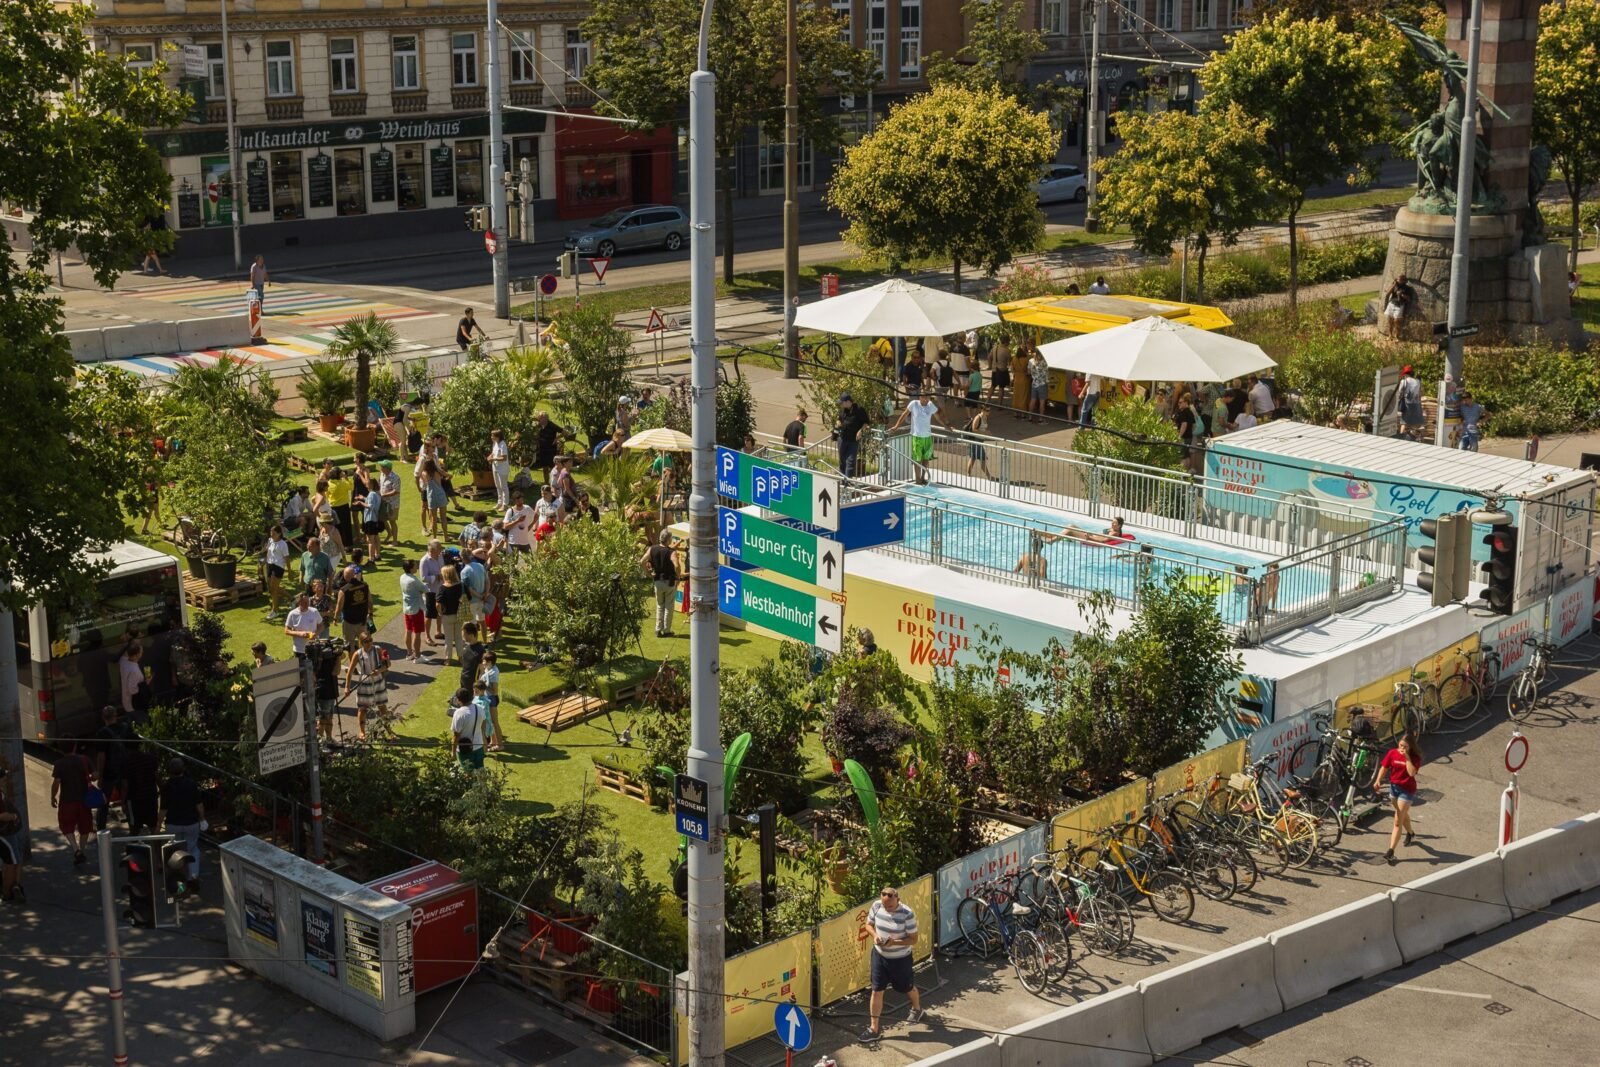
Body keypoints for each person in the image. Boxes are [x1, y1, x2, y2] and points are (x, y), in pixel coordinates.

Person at [860, 885, 925, 1041]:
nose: (887, 909)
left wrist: (894, 942)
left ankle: (917, 1009)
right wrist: (875, 935)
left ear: (898, 900)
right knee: (877, 990)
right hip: (879, 956)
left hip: (900, 959)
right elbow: (868, 925)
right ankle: (874, 1028)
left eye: (890, 906)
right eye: (885, 905)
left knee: (906, 987)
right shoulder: (876, 906)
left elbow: (913, 939)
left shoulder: (907, 914)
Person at [1374, 731, 1423, 865]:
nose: (1401, 748)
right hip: (1394, 788)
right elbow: (1384, 767)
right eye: (1400, 745)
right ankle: (1411, 833)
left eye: (1405, 746)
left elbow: (1412, 773)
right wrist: (1378, 780)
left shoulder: (1414, 757)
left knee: (1397, 820)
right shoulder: (1392, 753)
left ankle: (1390, 851)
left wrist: (1407, 757)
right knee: (1402, 814)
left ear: (1410, 747)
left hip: (1407, 791)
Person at [891, 389, 954, 486]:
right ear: (920, 397)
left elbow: (938, 417)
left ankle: (923, 477)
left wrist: (947, 427)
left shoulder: (930, 405)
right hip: (917, 436)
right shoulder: (914, 404)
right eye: (923, 397)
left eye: (926, 398)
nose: (924, 400)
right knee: (917, 459)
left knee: (926, 459)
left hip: (927, 436)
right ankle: (918, 480)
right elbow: (904, 415)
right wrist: (896, 426)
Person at [160, 758, 207, 885]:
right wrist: (202, 819)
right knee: (192, 849)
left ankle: (179, 877)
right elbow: (199, 805)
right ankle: (193, 876)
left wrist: (158, 825)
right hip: (191, 823)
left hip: (173, 824)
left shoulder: (167, 786)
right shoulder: (191, 784)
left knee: (176, 851)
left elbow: (163, 809)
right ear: (183, 769)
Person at [48, 743, 94, 865]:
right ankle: (82, 850)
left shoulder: (59, 763)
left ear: (61, 750)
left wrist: (52, 797)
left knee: (67, 825)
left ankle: (76, 849)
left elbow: (56, 782)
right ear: (74, 746)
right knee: (85, 827)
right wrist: (91, 778)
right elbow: (95, 775)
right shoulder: (84, 759)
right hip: (84, 800)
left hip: (67, 800)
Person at [93, 705, 137, 832]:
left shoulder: (102, 733)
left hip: (109, 773)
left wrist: (100, 776)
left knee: (103, 802)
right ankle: (133, 828)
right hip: (125, 770)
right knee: (127, 801)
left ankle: (101, 830)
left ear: (103, 718)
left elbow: (101, 756)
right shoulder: (125, 728)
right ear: (116, 716)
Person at [343, 631, 388, 742]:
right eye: (366, 641)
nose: (369, 643)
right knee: (362, 709)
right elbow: (350, 671)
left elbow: (387, 665)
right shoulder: (358, 654)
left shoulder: (378, 649)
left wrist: (379, 671)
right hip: (364, 682)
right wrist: (346, 687)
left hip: (378, 681)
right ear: (361, 642)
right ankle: (362, 732)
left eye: (370, 640)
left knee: (382, 707)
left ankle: (389, 730)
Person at [642, 529, 681, 638]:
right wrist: (678, 576)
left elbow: (642, 561)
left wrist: (648, 573)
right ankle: (666, 630)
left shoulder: (652, 549)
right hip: (669, 581)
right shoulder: (671, 552)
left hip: (658, 581)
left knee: (660, 605)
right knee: (669, 606)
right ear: (668, 539)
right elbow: (677, 565)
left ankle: (658, 629)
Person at [0, 768, 24, 903]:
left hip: (7, 834)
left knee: (14, 860)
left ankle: (14, 886)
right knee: (11, 863)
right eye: (3, 777)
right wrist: (13, 816)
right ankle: (7, 893)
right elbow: (2, 816)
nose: (5, 779)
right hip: (4, 834)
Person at [332, 565, 372, 644]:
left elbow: (339, 606)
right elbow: (370, 601)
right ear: (354, 575)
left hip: (349, 621)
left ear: (345, 576)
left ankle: (353, 656)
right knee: (364, 642)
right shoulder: (364, 585)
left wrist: (335, 618)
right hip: (362, 620)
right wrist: (370, 613)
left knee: (349, 645)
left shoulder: (343, 590)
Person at [835, 393, 871, 479]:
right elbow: (839, 419)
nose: (841, 404)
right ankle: (842, 480)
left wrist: (861, 430)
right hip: (842, 438)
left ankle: (848, 481)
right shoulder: (844, 410)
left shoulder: (859, 410)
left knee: (850, 462)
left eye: (842, 402)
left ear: (848, 402)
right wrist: (838, 422)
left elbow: (866, 422)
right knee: (842, 461)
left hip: (853, 440)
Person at [451, 687, 487, 770]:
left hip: (465, 749)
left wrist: (453, 752)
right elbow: (483, 727)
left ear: (458, 700)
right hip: (479, 746)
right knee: (481, 772)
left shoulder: (459, 713)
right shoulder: (480, 709)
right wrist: (484, 742)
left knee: (468, 775)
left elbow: (456, 736)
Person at [398, 559, 426, 661]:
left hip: (406, 608)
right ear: (410, 568)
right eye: (415, 566)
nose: (416, 567)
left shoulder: (402, 577)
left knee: (408, 630)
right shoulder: (414, 580)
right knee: (417, 633)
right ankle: (417, 656)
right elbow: (424, 588)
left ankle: (409, 653)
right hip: (416, 609)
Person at [420, 540, 445, 646]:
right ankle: (427, 636)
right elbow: (424, 578)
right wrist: (436, 577)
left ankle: (438, 632)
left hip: (441, 588)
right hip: (430, 591)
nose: (441, 550)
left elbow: (442, 568)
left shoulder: (440, 556)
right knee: (429, 614)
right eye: (439, 548)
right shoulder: (424, 561)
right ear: (433, 550)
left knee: (440, 611)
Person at [262, 525, 290, 619]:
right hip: (269, 565)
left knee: (274, 590)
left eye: (274, 533)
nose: (272, 534)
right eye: (271, 532)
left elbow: (287, 558)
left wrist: (289, 571)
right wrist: (264, 561)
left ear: (279, 534)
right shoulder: (270, 541)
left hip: (278, 567)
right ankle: (292, 599)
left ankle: (274, 611)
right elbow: (267, 552)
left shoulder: (283, 544)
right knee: (272, 588)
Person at [1048, 516, 1133, 546]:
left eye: (1115, 523)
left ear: (1119, 525)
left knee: (1070, 530)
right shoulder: (1112, 529)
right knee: (1071, 525)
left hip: (1090, 539)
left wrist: (1090, 538)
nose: (1112, 524)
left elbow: (1103, 541)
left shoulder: (1114, 533)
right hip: (1091, 535)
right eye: (1112, 522)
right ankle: (1054, 537)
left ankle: (1053, 540)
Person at [479, 650, 504, 751]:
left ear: (489, 662)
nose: (483, 663)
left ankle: (500, 745)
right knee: (490, 721)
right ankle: (493, 742)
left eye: (484, 661)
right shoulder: (489, 669)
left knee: (494, 722)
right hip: (487, 698)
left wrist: (482, 686)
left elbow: (495, 690)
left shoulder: (493, 673)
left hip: (491, 699)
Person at [284, 591, 322, 657]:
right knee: (301, 667)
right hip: (299, 650)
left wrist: (315, 634)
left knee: (315, 667)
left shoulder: (314, 611)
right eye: (304, 602)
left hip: (314, 647)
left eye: (308, 601)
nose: (307, 604)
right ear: (299, 602)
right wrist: (300, 634)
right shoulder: (292, 614)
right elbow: (286, 631)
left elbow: (321, 625)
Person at [359, 473, 385, 563]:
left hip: (370, 519)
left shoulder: (371, 494)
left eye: (368, 483)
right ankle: (377, 555)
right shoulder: (376, 494)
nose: (366, 484)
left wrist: (360, 503)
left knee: (370, 540)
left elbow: (370, 506)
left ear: (371, 485)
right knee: (376, 538)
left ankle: (371, 558)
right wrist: (363, 498)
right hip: (375, 519)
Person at [119, 641, 148, 718]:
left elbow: (124, 655)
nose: (142, 653)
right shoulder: (134, 671)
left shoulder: (123, 661)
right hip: (133, 705)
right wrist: (146, 682)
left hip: (125, 700)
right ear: (137, 655)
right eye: (141, 651)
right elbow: (133, 690)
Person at [1383, 273, 1415, 340]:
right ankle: (1390, 335)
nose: (1399, 281)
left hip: (1399, 305)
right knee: (1390, 320)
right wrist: (1394, 285)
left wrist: (1402, 295)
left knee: (1397, 321)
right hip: (1391, 304)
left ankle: (1397, 336)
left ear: (1404, 280)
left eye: (1401, 279)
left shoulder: (1407, 288)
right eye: (1398, 279)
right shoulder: (1395, 286)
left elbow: (1409, 299)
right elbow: (1387, 293)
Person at [964, 408, 992, 479]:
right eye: (987, 410)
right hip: (975, 440)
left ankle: (969, 475)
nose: (989, 412)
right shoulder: (978, 417)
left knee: (973, 458)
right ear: (982, 410)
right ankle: (989, 476)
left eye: (989, 410)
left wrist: (985, 433)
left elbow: (982, 428)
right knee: (980, 459)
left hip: (979, 441)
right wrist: (985, 433)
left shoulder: (985, 417)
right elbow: (974, 429)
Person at [1397, 364, 1424, 440]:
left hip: (1407, 405)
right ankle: (1413, 439)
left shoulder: (1404, 381)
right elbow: (1421, 392)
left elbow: (1399, 393)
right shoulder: (1418, 381)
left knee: (1404, 423)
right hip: (1416, 404)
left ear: (1405, 374)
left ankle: (1401, 439)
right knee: (1414, 423)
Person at [379, 459, 402, 546]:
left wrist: (384, 495)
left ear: (387, 468)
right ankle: (389, 534)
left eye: (382, 467)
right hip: (383, 502)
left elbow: (396, 491)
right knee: (383, 519)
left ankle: (395, 541)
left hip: (392, 503)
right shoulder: (381, 475)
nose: (380, 468)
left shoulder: (395, 477)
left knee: (392, 521)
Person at [487, 428, 511, 508]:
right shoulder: (495, 443)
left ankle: (505, 504)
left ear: (497, 436)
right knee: (497, 485)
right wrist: (490, 456)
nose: (491, 437)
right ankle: (499, 502)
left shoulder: (503, 444)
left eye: (492, 435)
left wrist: (493, 459)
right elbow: (493, 453)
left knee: (503, 486)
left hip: (502, 468)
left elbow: (504, 458)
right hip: (495, 467)